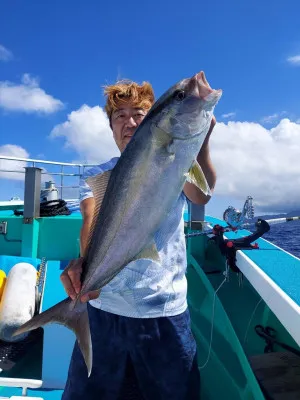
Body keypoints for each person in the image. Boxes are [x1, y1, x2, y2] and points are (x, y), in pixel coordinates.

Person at [61, 78, 217, 400]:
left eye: (139, 113)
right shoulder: (98, 173)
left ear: (154, 120)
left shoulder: (178, 160)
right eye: (120, 115)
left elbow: (201, 195)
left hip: (163, 310)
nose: (129, 122)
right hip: (103, 309)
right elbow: (90, 219)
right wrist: (84, 266)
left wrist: (199, 138)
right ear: (111, 126)